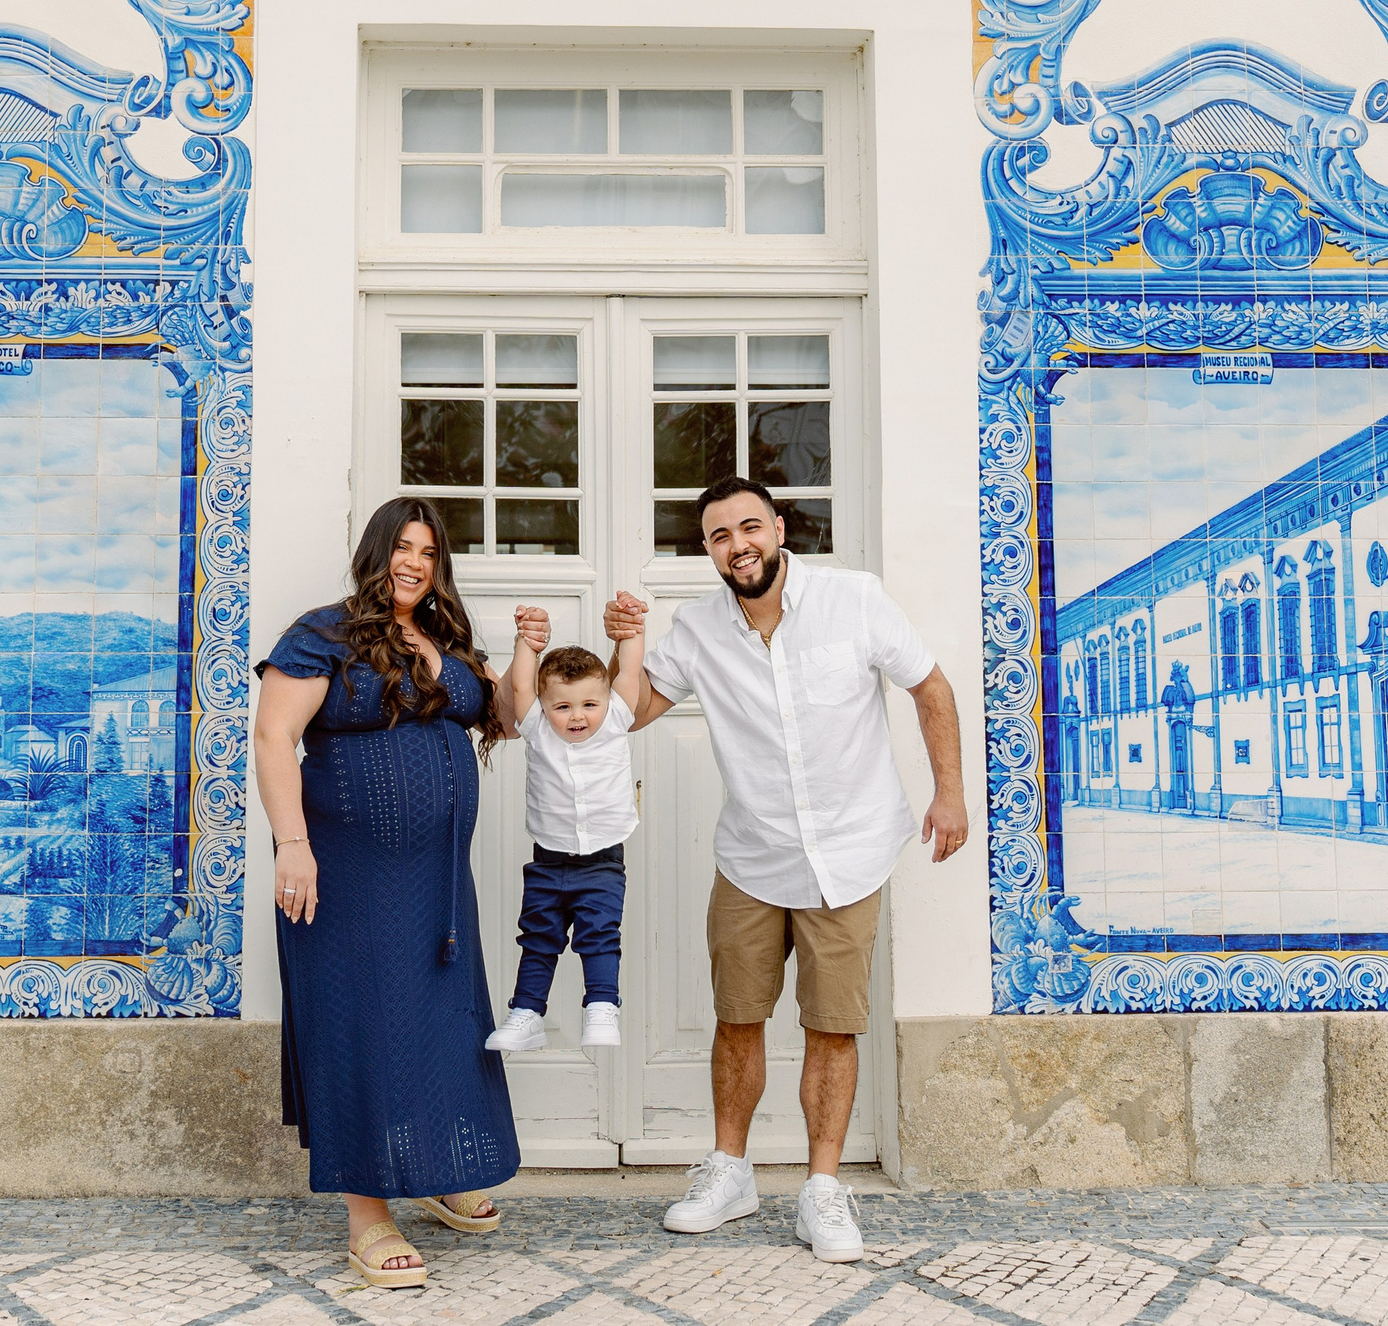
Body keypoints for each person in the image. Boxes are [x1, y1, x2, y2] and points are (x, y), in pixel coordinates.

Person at [603, 476, 965, 1264]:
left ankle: (822, 1189)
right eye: (719, 536)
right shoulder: (697, 630)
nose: (738, 545)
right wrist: (626, 640)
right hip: (754, 855)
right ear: (708, 552)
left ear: (778, 527)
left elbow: (930, 685)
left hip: (851, 850)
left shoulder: (853, 599)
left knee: (832, 1023)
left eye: (748, 527)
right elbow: (626, 713)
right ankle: (730, 1171)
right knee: (737, 1015)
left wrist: (950, 792)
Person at [254, 497, 542, 1289]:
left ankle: (444, 1171)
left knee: (443, 1025)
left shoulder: (444, 643)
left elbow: (508, 720)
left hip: (437, 881)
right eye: (400, 546)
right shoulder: (323, 633)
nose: (413, 561)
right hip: (345, 877)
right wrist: (292, 843)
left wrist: (524, 651)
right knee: (363, 1025)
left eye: (427, 550)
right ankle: (367, 1214)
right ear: (375, 552)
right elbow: (273, 734)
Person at [485, 612, 644, 1053]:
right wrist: (527, 643)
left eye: (589, 704)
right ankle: (528, 1014)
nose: (577, 716)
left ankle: (601, 1005)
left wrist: (631, 631)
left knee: (598, 934)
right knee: (538, 938)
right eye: (563, 706)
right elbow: (520, 686)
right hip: (548, 861)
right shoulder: (535, 728)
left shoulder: (616, 720)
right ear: (544, 707)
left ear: (606, 702)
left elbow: (629, 670)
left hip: (602, 862)